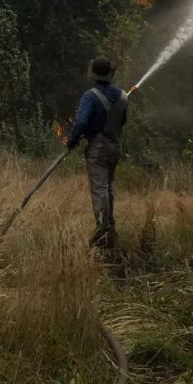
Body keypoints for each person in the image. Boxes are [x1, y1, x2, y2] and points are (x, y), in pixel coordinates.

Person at [66, 55, 129, 250]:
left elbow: (82, 122)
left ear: (93, 74)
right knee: (108, 187)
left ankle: (103, 233)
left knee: (100, 189)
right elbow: (123, 120)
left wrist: (72, 141)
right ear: (110, 73)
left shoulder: (90, 96)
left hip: (98, 149)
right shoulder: (122, 96)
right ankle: (110, 227)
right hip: (116, 147)